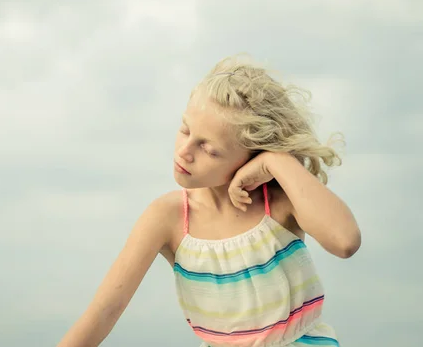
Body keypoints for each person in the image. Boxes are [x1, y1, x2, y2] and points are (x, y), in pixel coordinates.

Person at [56, 54, 361, 347]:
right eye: (185, 130)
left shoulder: (278, 203)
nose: (185, 151)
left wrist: (277, 161)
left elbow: (344, 241)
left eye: (209, 149)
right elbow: (105, 310)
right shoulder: (169, 217)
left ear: (249, 155)